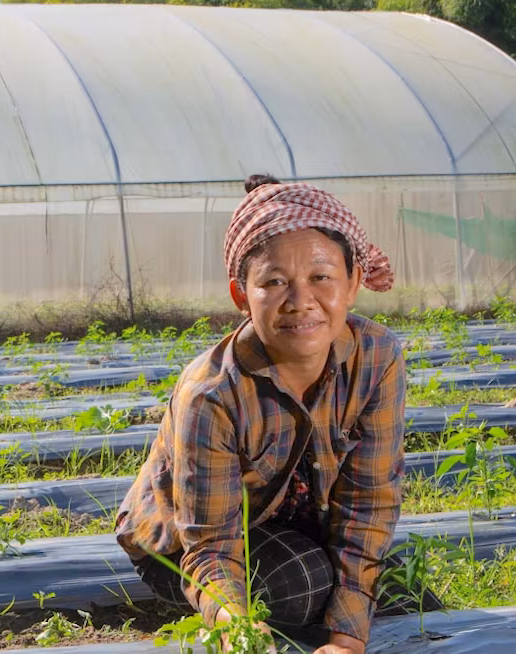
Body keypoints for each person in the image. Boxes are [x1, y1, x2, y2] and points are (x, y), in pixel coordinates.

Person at [115, 174, 435, 654]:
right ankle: (199, 601)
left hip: (293, 517)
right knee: (303, 580)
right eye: (274, 282)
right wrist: (233, 623)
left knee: (397, 585)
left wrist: (347, 638)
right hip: (183, 542)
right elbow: (210, 542)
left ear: (352, 285)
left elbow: (370, 501)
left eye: (321, 277)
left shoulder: (377, 357)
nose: (300, 300)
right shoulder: (212, 393)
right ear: (242, 295)